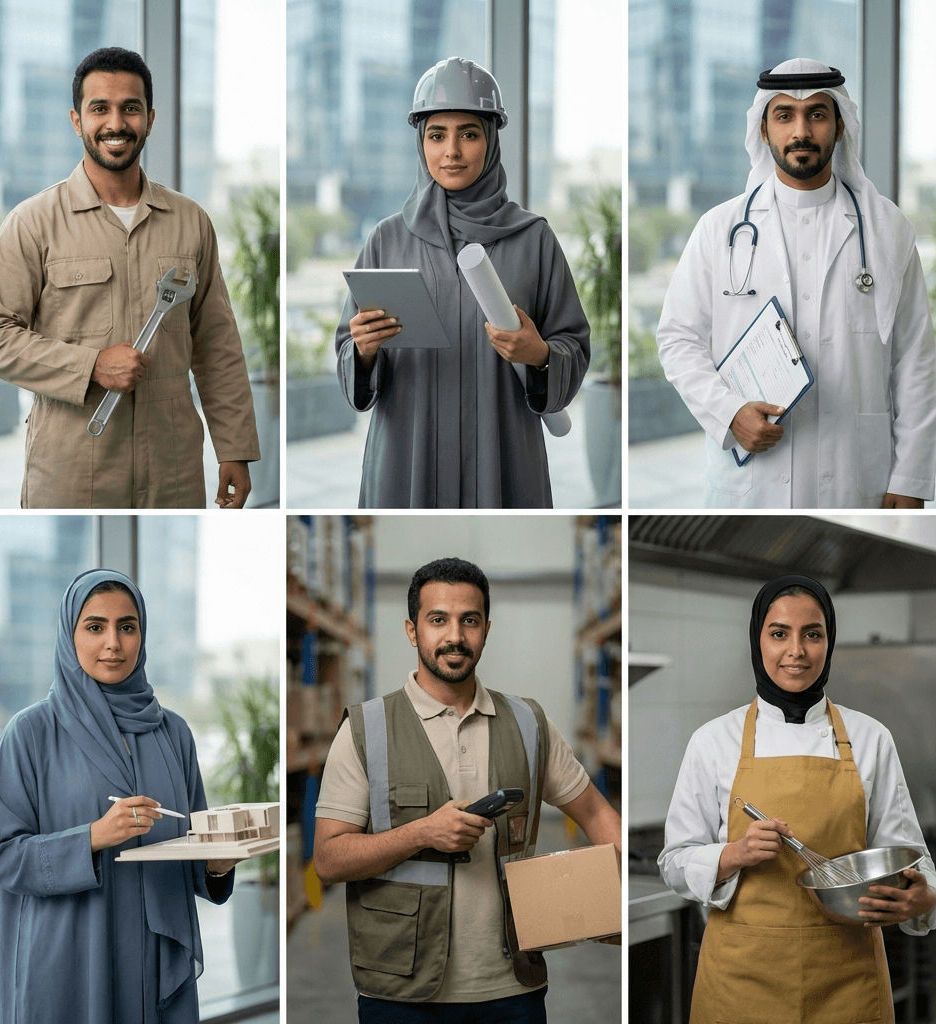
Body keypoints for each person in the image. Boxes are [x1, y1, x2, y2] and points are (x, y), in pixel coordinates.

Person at [313, 557, 621, 1022]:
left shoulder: (528, 723)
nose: (454, 636)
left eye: (469, 621)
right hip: (401, 992)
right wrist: (422, 833)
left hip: (512, 988)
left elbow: (596, 813)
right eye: (438, 620)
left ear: (486, 630)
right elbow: (329, 860)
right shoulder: (365, 728)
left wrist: (612, 895)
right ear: (412, 630)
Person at [0, 47, 260, 509]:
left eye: (131, 108)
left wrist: (235, 447)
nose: (116, 123)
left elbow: (216, 343)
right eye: (99, 108)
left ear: (150, 117)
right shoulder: (32, 223)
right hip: (70, 470)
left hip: (175, 470)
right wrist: (90, 366)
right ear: (76, 120)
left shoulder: (191, 221)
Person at [656, 58, 936, 509]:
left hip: (856, 476)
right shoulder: (719, 228)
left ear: (840, 126)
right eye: (784, 115)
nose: (801, 131)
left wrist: (910, 478)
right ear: (764, 130)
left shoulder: (888, 230)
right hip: (753, 485)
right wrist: (728, 412)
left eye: (817, 115)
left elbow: (915, 362)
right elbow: (677, 338)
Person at [659, 574, 936, 1024]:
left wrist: (924, 901)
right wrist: (735, 853)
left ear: (829, 642)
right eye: (779, 634)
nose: (796, 651)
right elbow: (674, 862)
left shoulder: (871, 738)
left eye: (813, 634)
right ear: (758, 641)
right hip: (741, 984)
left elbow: (911, 859)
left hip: (847, 983)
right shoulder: (714, 740)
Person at [0, 569, 240, 1023]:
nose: (114, 644)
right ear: (69, 633)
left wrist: (217, 866)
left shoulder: (173, 732)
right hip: (69, 958)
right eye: (95, 626)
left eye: (127, 626)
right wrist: (92, 837)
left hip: (154, 959)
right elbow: (3, 856)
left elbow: (195, 844)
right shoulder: (30, 733)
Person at [335, 57, 590, 509]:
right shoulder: (387, 238)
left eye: (468, 134)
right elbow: (347, 351)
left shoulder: (533, 238)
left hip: (503, 457)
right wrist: (363, 350)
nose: (451, 151)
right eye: (437, 135)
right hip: (405, 460)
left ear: (490, 141)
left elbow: (574, 343)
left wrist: (541, 355)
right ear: (421, 142)